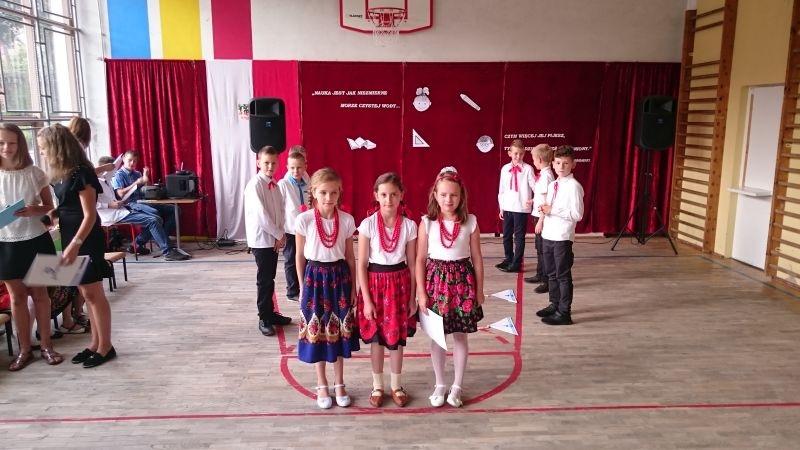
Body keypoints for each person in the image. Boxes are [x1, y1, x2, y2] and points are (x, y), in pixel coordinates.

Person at [37, 123, 116, 367]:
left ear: (56, 146)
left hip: (85, 238)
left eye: (43, 148)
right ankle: (95, 343)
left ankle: (106, 346)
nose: (41, 152)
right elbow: (66, 207)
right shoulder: (62, 173)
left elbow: (89, 215)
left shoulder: (82, 172)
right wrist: (50, 216)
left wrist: (74, 245)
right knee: (85, 292)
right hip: (72, 236)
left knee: (94, 294)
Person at [416, 166, 485, 408]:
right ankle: (440, 384)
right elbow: (420, 259)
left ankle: (457, 386)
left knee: (460, 336)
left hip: (462, 284)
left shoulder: (471, 221)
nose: (448, 199)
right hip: (435, 284)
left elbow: (477, 258)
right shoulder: (427, 223)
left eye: (453, 195)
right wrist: (421, 293)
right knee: (438, 338)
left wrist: (480, 289)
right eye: (443, 194)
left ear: (461, 196)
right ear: (435, 195)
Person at [0, 123, 65, 371]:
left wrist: (33, 210)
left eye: (11, 142)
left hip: (37, 238)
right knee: (16, 298)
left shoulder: (35, 172)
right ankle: (24, 350)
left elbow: (50, 208)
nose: (6, 148)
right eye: (1, 143)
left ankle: (46, 345)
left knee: (41, 296)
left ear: (20, 144)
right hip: (5, 242)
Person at [295, 168, 359, 409]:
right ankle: (321, 383)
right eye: (323, 192)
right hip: (314, 279)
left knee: (339, 331)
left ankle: (339, 382)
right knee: (318, 332)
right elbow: (299, 256)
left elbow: (350, 257)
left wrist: (353, 288)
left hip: (339, 279)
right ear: (313, 192)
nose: (328, 198)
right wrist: (301, 287)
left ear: (339, 193)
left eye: (333, 192)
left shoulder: (347, 220)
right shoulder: (304, 220)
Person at [356, 172, 417, 408]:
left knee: (397, 339)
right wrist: (367, 300)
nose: (388, 199)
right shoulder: (368, 225)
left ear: (401, 195)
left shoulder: (409, 226)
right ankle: (377, 385)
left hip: (399, 285)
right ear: (376, 196)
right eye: (383, 195)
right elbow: (361, 264)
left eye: (393, 194)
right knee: (377, 340)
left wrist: (412, 297)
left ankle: (396, 385)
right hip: (374, 285)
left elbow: (412, 263)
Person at [95, 156, 187, 261]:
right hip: (112, 214)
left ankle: (137, 245)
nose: (114, 171)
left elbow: (113, 198)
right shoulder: (96, 182)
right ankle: (168, 251)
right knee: (153, 219)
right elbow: (93, 204)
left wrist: (119, 202)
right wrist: (110, 205)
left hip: (121, 209)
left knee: (158, 218)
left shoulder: (107, 180)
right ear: (105, 169)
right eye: (113, 169)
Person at [244, 146, 291, 337]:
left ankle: (270, 313)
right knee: (264, 280)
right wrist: (278, 234)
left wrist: (281, 233)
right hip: (262, 240)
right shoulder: (255, 185)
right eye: (266, 163)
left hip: (273, 239)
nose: (270, 166)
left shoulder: (275, 185)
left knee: (270, 278)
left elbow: (281, 211)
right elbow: (261, 216)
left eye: (273, 163)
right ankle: (264, 317)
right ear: (258, 163)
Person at [537, 145, 584, 326]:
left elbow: (577, 214)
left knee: (562, 275)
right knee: (551, 273)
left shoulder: (574, 187)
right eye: (558, 163)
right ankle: (555, 304)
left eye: (565, 163)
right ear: (553, 164)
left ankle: (564, 312)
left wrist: (553, 210)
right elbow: (549, 206)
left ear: (573, 164)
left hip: (562, 237)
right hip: (548, 234)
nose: (561, 167)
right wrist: (543, 214)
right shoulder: (553, 185)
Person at [111, 150, 175, 255]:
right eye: (130, 160)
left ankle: (156, 240)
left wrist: (146, 179)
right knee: (155, 213)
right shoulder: (118, 175)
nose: (132, 163)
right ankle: (151, 243)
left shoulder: (137, 173)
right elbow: (120, 194)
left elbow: (147, 190)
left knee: (174, 210)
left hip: (143, 202)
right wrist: (136, 182)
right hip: (130, 204)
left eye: (135, 161)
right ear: (123, 159)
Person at [496, 139, 536, 273]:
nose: (518, 157)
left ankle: (517, 263)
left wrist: (534, 200)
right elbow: (502, 189)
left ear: (524, 154)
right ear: (509, 153)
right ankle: (509, 258)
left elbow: (535, 187)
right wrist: (501, 207)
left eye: (521, 154)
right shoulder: (505, 169)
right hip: (508, 207)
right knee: (506, 235)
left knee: (519, 237)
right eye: (515, 153)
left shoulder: (528, 169)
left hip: (521, 208)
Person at [277, 149, 310, 302]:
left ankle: (305, 288)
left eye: (299, 167)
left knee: (306, 258)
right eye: (292, 168)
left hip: (306, 230)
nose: (296, 171)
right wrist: (280, 230)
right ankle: (292, 291)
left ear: (305, 167)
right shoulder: (283, 184)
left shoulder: (307, 182)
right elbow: (279, 208)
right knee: (291, 260)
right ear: (287, 167)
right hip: (290, 230)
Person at [524, 143, 555, 294]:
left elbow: (547, 201)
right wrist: (533, 201)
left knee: (544, 250)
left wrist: (541, 221)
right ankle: (540, 274)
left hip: (541, 218)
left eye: (534, 159)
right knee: (540, 249)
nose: (533, 162)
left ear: (540, 160)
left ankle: (547, 280)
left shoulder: (546, 177)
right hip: (538, 215)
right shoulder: (544, 175)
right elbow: (541, 197)